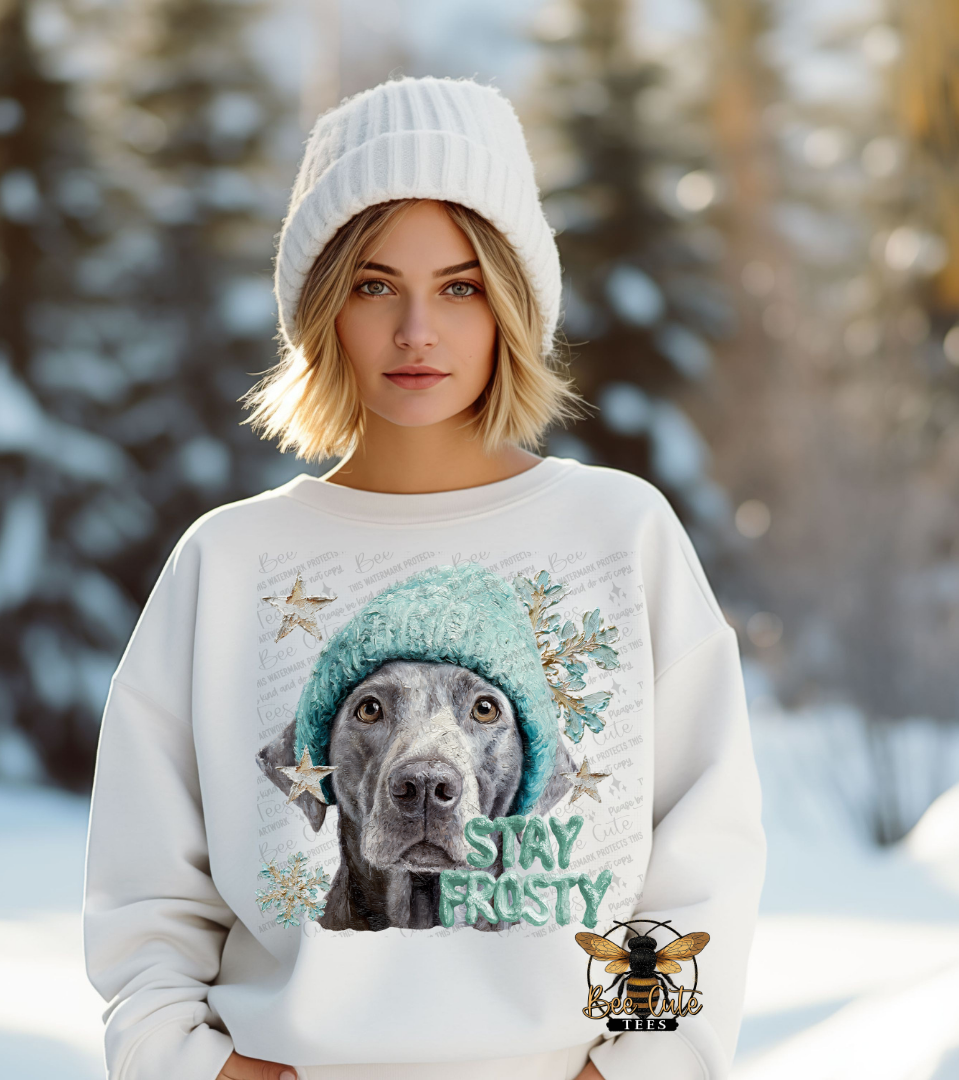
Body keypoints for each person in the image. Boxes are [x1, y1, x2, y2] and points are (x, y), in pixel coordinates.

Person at [82, 75, 766, 1080]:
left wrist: (641, 1069)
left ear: (512, 306)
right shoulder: (226, 562)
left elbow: (706, 860)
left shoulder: (622, 534)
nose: (416, 331)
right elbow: (143, 895)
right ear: (321, 307)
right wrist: (187, 1065)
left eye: (460, 286)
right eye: (373, 285)